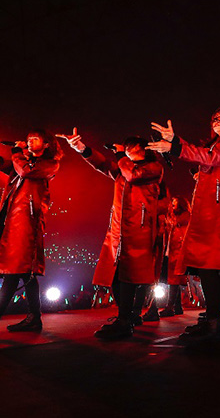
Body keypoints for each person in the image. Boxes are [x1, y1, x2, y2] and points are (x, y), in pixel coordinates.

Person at [60, 128, 163, 340]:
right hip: (118, 229)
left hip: (139, 229)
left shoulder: (153, 168)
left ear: (143, 149)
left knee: (130, 275)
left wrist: (119, 157)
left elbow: (133, 175)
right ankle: (124, 317)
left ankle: (127, 319)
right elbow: (103, 165)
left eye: (131, 146)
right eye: (125, 147)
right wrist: (82, 148)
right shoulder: (123, 169)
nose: (126, 149)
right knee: (114, 274)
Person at [149, 107, 220, 342]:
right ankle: (213, 319)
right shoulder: (214, 144)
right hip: (207, 213)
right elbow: (204, 156)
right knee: (209, 269)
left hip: (219, 214)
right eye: (213, 118)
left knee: (214, 267)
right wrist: (175, 141)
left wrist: (175, 145)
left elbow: (209, 158)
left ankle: (215, 322)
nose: (216, 121)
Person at [0, 130, 62, 340]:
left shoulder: (48, 164)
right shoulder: (23, 162)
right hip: (14, 222)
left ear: (46, 145)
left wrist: (17, 151)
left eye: (34, 139)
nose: (29, 141)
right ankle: (35, 317)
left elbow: (25, 171)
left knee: (13, 272)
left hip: (28, 223)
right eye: (28, 139)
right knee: (26, 273)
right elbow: (0, 163)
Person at [160, 196, 190, 317]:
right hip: (173, 249)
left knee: (174, 279)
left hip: (179, 250)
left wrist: (167, 212)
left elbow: (174, 223)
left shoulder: (185, 215)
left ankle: (170, 306)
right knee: (174, 280)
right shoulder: (178, 216)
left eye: (175, 204)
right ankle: (177, 307)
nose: (173, 206)